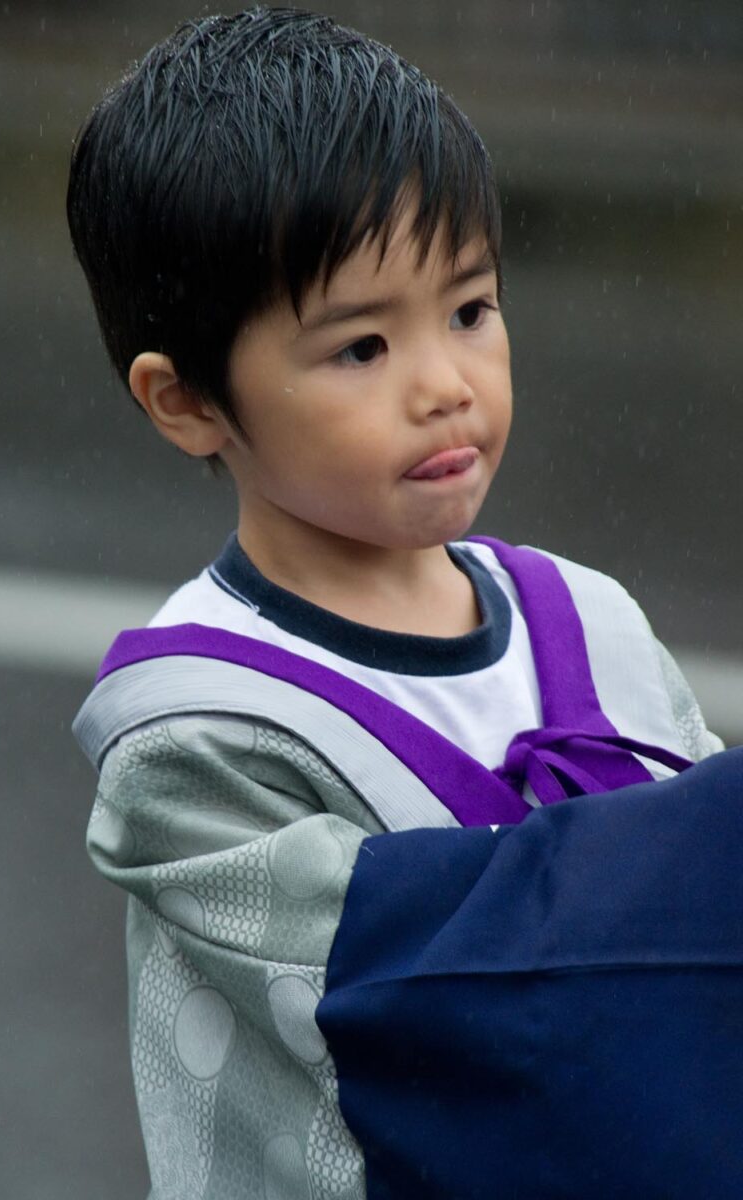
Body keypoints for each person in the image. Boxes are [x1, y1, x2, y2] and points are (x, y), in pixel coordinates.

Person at [66, 8, 731, 1198]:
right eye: (361, 348)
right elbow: (440, 1000)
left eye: (471, 310)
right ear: (187, 402)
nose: (446, 387)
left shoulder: (592, 622)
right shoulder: (195, 736)